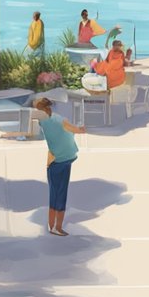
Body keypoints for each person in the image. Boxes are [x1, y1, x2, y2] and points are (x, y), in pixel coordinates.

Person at [35, 97, 86, 236]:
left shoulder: (42, 122)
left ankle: (52, 226)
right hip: (63, 160)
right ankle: (56, 227)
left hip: (53, 162)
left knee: (54, 194)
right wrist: (81, 129)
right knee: (61, 194)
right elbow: (76, 130)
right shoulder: (59, 120)